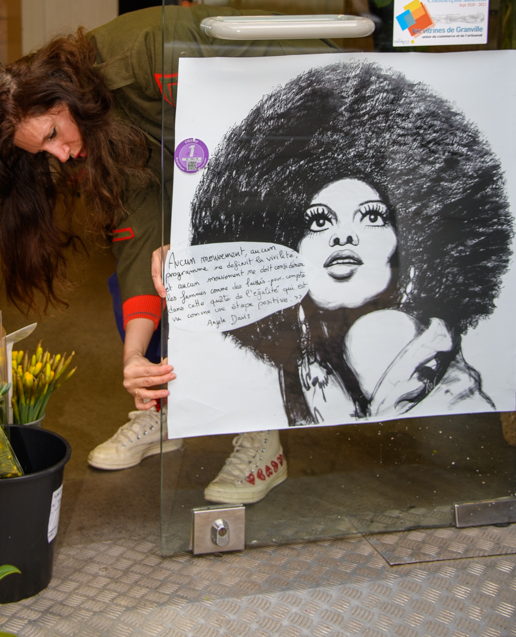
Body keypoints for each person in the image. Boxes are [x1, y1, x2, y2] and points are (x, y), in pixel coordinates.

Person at [0, 4, 327, 475]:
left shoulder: (142, 54)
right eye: (45, 152)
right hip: (251, 163)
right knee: (148, 276)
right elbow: (138, 235)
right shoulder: (99, 132)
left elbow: (265, 114)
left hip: (316, 118)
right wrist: (135, 355)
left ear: (59, 96)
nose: (61, 154)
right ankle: (161, 408)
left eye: (54, 134)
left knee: (214, 267)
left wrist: (203, 231)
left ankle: (260, 433)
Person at [187, 59, 513, 502]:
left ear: (404, 241)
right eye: (319, 221)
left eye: (372, 216)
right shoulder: (292, 358)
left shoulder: (444, 380)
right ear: (288, 245)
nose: (343, 235)